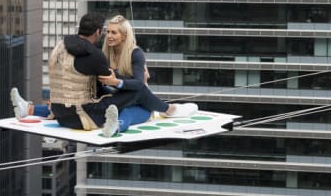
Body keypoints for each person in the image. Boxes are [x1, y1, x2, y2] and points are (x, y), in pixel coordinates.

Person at [11, 13, 196, 137]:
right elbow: (110, 85)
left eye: (114, 32)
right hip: (92, 110)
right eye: (107, 31)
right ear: (98, 32)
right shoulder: (98, 54)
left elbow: (132, 84)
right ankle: (168, 110)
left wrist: (118, 82)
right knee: (134, 102)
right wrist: (117, 83)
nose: (109, 36)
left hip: (69, 110)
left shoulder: (134, 53)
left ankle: (29, 109)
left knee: (139, 103)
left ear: (124, 36)